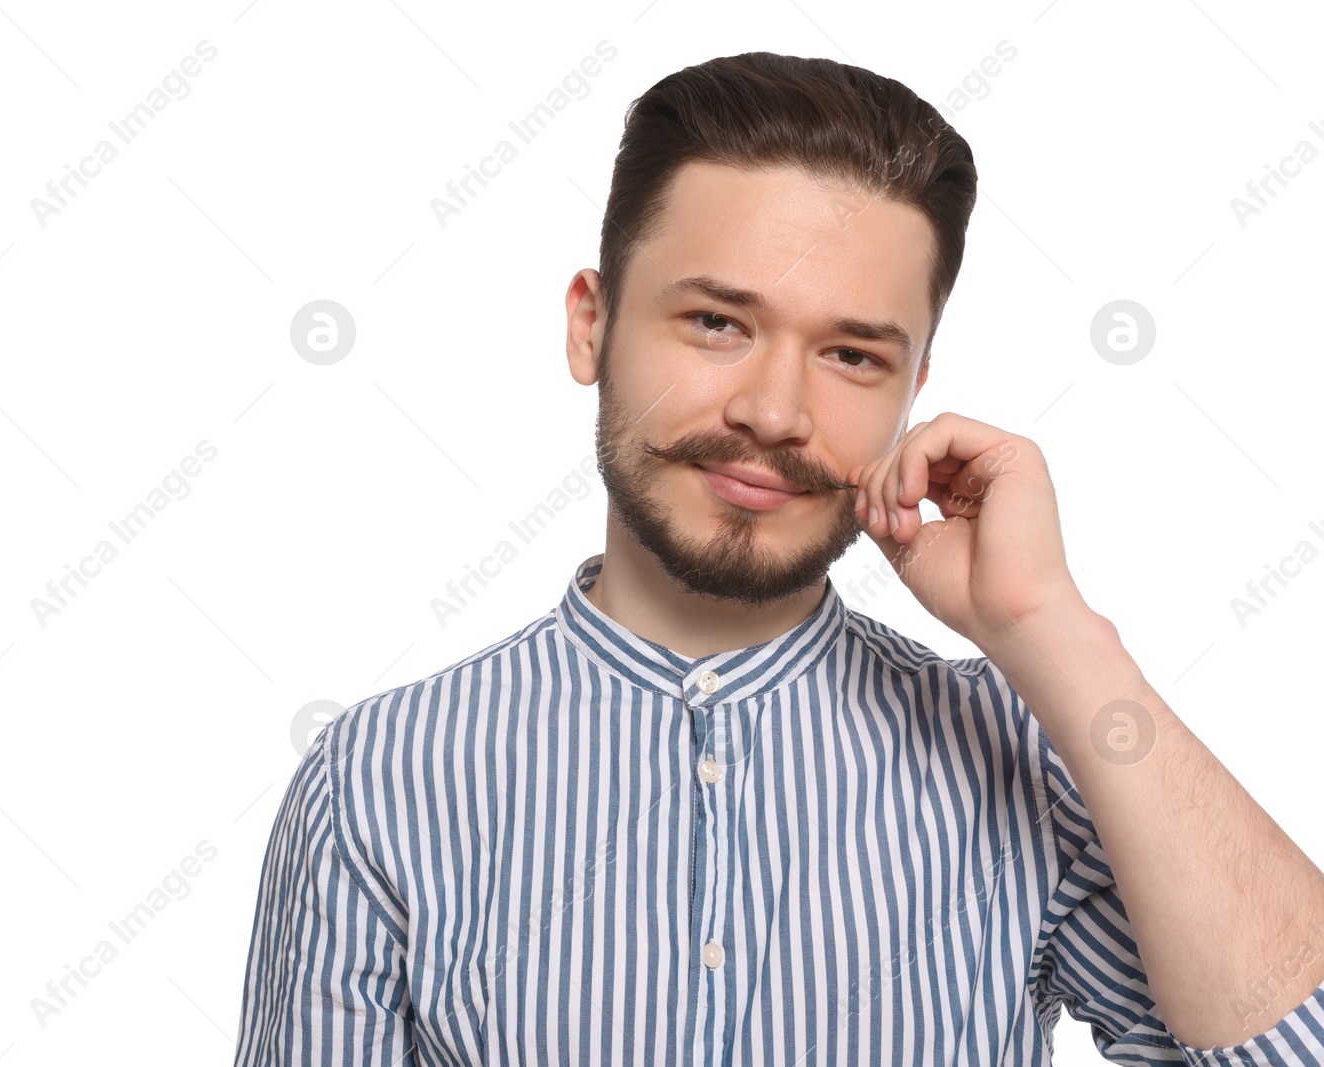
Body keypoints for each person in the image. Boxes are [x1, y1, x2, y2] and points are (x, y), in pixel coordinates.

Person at [230, 52, 1324, 1065]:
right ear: (589, 325)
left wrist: (1054, 634)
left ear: (912, 384)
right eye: (716, 322)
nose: (773, 411)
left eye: (851, 353)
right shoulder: (375, 784)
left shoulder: (1020, 753)